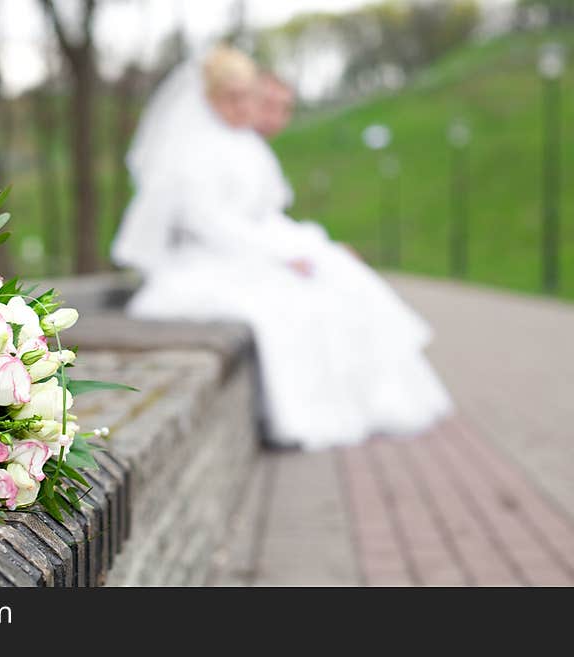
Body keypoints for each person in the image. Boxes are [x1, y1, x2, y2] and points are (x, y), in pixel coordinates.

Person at [111, 45, 452, 450]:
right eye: (230, 98)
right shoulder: (193, 150)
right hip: (211, 259)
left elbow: (268, 215)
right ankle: (304, 413)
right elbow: (208, 223)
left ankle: (373, 399)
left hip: (253, 249)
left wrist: (306, 246)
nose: (240, 107)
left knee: (342, 277)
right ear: (209, 97)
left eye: (246, 97)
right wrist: (279, 256)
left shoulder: (249, 145)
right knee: (286, 306)